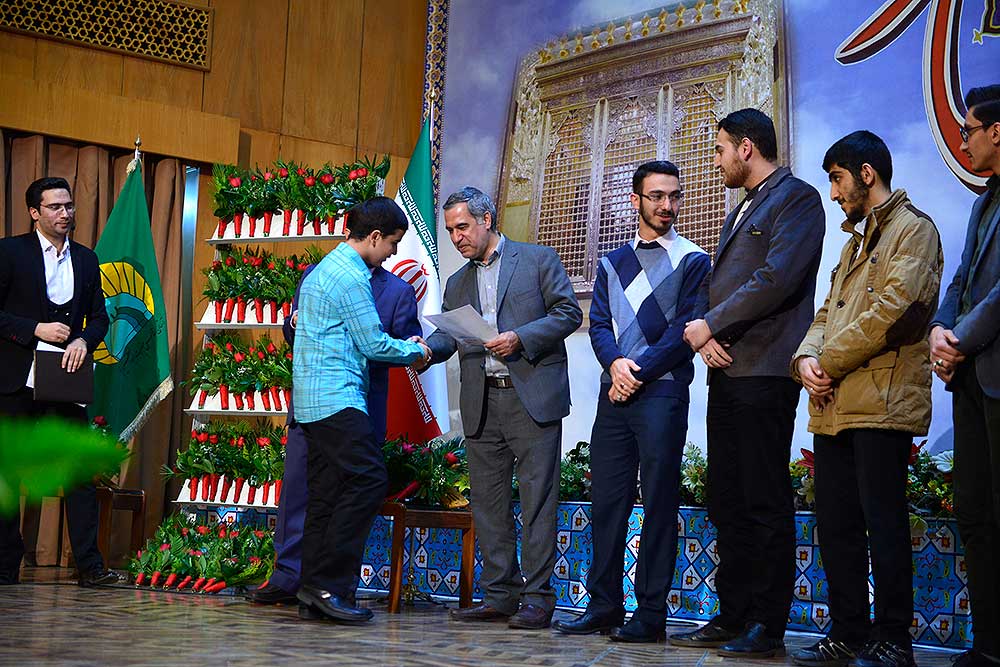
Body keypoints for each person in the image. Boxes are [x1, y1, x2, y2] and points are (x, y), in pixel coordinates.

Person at [674, 108, 825, 658]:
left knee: (763, 498)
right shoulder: (741, 207)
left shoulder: (797, 198)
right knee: (728, 497)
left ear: (745, 147)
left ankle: (768, 623)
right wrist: (705, 332)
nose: (716, 161)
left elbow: (775, 279)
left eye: (719, 150)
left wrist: (712, 324)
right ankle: (733, 613)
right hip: (727, 370)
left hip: (765, 370)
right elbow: (718, 284)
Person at [791, 131, 942, 667]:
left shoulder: (914, 230)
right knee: (838, 526)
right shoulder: (853, 244)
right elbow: (826, 314)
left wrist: (826, 363)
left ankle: (894, 640)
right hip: (834, 407)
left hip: (883, 404)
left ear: (866, 174)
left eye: (837, 180)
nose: (834, 193)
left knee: (885, 525)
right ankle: (848, 632)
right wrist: (804, 361)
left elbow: (895, 313)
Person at [552, 161, 709, 642]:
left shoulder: (693, 259)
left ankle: (651, 615)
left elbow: (685, 332)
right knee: (607, 502)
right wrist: (615, 366)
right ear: (635, 200)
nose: (667, 205)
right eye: (657, 196)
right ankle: (603, 606)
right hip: (614, 395)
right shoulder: (611, 262)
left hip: (662, 391)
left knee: (659, 502)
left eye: (674, 196)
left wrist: (633, 373)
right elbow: (599, 324)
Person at [422, 186, 582, 630]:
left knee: (537, 501)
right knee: (488, 504)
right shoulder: (457, 282)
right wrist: (426, 350)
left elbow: (568, 313)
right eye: (450, 230)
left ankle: (538, 598)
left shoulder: (537, 260)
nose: (456, 237)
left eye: (463, 227)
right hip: (482, 401)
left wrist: (521, 338)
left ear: (487, 219)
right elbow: (448, 337)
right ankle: (499, 594)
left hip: (531, 396)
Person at [249, 262, 421, 605]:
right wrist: (294, 323)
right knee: (299, 492)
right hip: (310, 405)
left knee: (346, 497)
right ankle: (289, 576)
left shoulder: (397, 291)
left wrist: (382, 345)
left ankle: (337, 588)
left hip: (358, 409)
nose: (392, 249)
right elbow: (293, 334)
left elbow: (404, 346)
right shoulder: (316, 274)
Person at [292, 196, 430, 624]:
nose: (392, 253)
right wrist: (418, 350)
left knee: (325, 497)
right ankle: (330, 585)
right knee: (370, 481)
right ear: (373, 237)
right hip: (338, 400)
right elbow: (373, 344)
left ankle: (311, 590)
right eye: (391, 243)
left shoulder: (321, 270)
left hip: (311, 403)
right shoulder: (351, 277)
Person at [0, 177, 118, 587]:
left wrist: (85, 340)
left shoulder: (86, 258)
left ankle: (90, 566)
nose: (65, 213)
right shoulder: (9, 252)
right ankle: (6, 563)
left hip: (65, 381)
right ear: (35, 212)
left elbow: (100, 317)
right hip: (16, 381)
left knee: (79, 472)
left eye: (69, 206)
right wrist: (35, 329)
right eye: (55, 207)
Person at [928, 84, 1000, 667]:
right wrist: (939, 329)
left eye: (969, 130)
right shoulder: (983, 201)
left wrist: (960, 338)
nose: (963, 141)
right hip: (972, 376)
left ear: (996, 131)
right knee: (974, 512)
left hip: (991, 367)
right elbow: (961, 279)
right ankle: (989, 645)